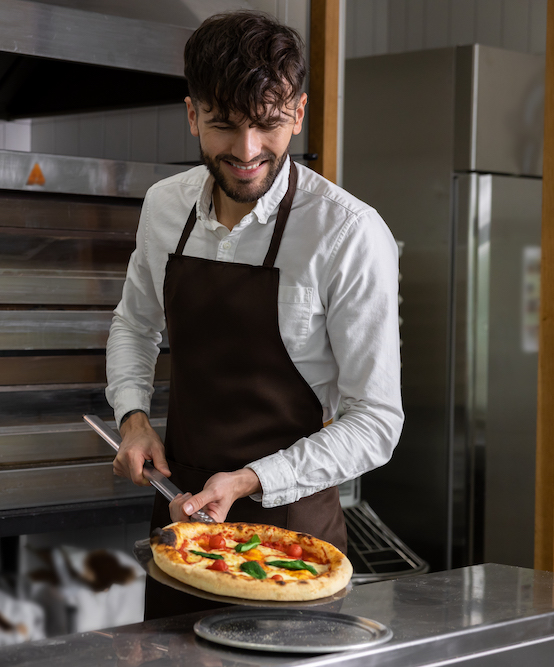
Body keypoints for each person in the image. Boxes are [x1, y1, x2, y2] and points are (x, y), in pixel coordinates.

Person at [104, 10, 404, 619]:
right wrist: (132, 418)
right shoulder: (165, 207)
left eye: (268, 125)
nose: (246, 152)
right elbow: (136, 324)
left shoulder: (346, 232)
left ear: (296, 113)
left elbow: (376, 422)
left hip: (293, 541)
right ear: (192, 115)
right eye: (223, 125)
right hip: (182, 521)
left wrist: (248, 480)